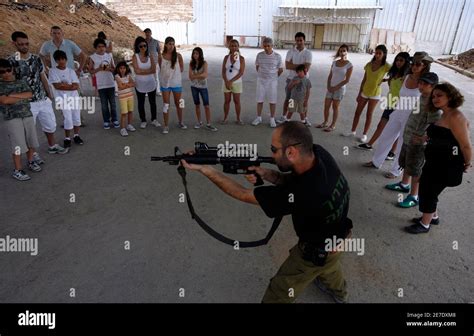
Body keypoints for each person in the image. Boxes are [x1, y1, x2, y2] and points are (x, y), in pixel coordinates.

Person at [181, 121, 353, 303]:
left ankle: (333, 287)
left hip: (316, 251)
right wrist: (267, 173)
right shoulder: (318, 154)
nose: (270, 154)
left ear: (291, 152)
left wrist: (206, 169)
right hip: (340, 235)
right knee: (331, 266)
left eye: (273, 149)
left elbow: (243, 194)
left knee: (280, 290)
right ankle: (340, 294)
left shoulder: (306, 192)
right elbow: (295, 180)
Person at [406, 83, 471, 234]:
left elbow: (466, 145)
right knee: (428, 188)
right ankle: (432, 216)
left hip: (447, 165)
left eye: (440, 95)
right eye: (434, 96)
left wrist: (467, 163)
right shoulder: (445, 114)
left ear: (451, 96)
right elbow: (443, 136)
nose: (435, 98)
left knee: (429, 191)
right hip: (435, 162)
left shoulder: (456, 116)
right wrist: (424, 139)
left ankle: (425, 224)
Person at [364, 52, 432, 179]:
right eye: (412, 63)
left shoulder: (425, 83)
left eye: (418, 64)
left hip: (412, 116)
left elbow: (428, 102)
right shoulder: (406, 77)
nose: (414, 66)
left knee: (402, 143)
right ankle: (376, 161)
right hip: (397, 111)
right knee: (385, 136)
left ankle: (396, 170)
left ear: (425, 66)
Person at [8, 31, 68, 163]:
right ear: (14, 44)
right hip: (26, 103)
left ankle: (52, 146)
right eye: (21, 44)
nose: (24, 46)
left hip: (42, 98)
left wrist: (49, 94)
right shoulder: (11, 62)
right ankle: (33, 155)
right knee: (30, 131)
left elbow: (42, 77)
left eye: (26, 43)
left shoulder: (36, 59)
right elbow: (8, 83)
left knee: (50, 124)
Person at [385, 72, 441, 208]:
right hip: (409, 135)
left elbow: (435, 125)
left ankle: (414, 196)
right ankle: (404, 184)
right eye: (420, 83)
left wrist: (424, 138)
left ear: (433, 86)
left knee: (416, 169)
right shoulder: (422, 96)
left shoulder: (433, 104)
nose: (421, 86)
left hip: (418, 142)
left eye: (425, 84)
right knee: (406, 163)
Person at [356, 52, 411, 159]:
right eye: (397, 60)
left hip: (400, 105)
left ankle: (392, 152)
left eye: (401, 60)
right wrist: (386, 80)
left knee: (396, 130)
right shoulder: (394, 73)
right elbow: (392, 84)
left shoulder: (407, 76)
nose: (398, 62)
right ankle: (369, 144)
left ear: (406, 62)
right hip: (390, 102)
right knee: (381, 125)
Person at [0, 59, 40, 181]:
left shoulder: (21, 82)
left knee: (31, 141)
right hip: (12, 118)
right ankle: (17, 170)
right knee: (17, 144)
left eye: (8, 70)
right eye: (2, 72)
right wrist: (20, 97)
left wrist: (11, 95)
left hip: (27, 114)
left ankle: (31, 161)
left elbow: (29, 95)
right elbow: (4, 101)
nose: (6, 73)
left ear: (12, 69)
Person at [343, 45, 390, 142]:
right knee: (357, 112)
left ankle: (364, 134)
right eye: (376, 53)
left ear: (384, 54)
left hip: (375, 94)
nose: (377, 55)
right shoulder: (369, 64)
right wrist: (359, 93)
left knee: (369, 114)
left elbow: (396, 74)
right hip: (364, 91)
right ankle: (353, 131)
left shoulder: (386, 66)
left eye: (379, 53)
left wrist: (384, 80)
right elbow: (364, 79)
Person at [48, 50, 84, 149]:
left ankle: (76, 135)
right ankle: (67, 138)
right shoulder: (53, 71)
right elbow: (57, 86)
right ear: (56, 61)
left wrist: (65, 85)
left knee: (76, 117)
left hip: (74, 97)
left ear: (66, 59)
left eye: (63, 59)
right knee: (67, 118)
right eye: (59, 59)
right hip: (62, 99)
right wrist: (69, 85)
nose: (61, 61)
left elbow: (76, 86)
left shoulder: (71, 71)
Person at [277, 32, 312, 125]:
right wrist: (301, 67)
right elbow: (287, 65)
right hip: (291, 79)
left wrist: (294, 65)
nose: (299, 42)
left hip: (304, 80)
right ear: (295, 41)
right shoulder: (291, 51)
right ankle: (284, 116)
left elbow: (306, 69)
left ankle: (305, 118)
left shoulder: (308, 53)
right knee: (289, 99)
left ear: (304, 41)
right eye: (297, 40)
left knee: (304, 100)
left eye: (301, 40)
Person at [315, 44, 353, 132]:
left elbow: (347, 80)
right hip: (331, 87)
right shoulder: (334, 63)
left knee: (335, 107)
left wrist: (335, 87)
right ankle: (325, 122)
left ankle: (333, 125)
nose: (342, 52)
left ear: (347, 52)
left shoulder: (349, 65)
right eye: (341, 51)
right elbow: (330, 75)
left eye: (344, 51)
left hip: (339, 89)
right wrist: (328, 85)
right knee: (326, 106)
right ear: (339, 52)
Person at [252, 37, 283, 128]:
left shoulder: (277, 56)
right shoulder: (259, 55)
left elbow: (280, 69)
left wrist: (273, 77)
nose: (266, 48)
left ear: (272, 46)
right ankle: (258, 117)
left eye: (268, 46)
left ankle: (272, 118)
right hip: (261, 80)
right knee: (259, 99)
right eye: (264, 46)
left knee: (272, 100)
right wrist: (263, 75)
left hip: (272, 82)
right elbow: (257, 66)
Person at [88, 38, 118, 129]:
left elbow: (114, 69)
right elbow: (90, 71)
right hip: (101, 85)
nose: (101, 48)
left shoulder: (109, 56)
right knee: (104, 104)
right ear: (95, 48)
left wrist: (109, 69)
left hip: (110, 83)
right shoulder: (92, 57)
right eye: (99, 47)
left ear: (105, 47)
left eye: (103, 46)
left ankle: (115, 119)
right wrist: (99, 69)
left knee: (113, 103)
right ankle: (106, 121)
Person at [159, 36, 185, 133]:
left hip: (176, 83)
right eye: (169, 44)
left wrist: (174, 73)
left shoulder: (178, 56)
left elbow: (181, 68)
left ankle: (181, 121)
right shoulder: (161, 56)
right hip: (165, 84)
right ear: (165, 44)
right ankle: (166, 125)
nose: (171, 46)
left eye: (173, 44)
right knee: (166, 104)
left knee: (179, 103)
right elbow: (160, 68)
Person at [132, 37, 159, 129]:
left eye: (145, 45)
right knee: (141, 103)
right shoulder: (135, 57)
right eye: (141, 46)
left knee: (153, 102)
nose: (143, 47)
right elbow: (136, 71)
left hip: (151, 82)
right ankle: (143, 120)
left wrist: (142, 71)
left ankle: (154, 119)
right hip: (140, 84)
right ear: (137, 47)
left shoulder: (150, 55)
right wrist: (148, 71)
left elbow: (154, 69)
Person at [189, 47, 217, 131]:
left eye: (197, 53)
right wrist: (199, 75)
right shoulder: (191, 63)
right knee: (197, 105)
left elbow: (205, 75)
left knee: (206, 105)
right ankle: (199, 122)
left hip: (203, 87)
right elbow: (190, 77)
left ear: (200, 54)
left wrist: (195, 76)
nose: (195, 55)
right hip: (194, 87)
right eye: (194, 53)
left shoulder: (204, 63)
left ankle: (208, 123)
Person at [221, 39, 245, 125]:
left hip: (237, 83)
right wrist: (227, 81)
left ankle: (238, 118)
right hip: (226, 82)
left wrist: (231, 81)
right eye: (232, 45)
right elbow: (223, 71)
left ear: (238, 47)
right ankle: (225, 118)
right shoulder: (226, 58)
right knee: (226, 101)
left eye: (235, 45)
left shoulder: (241, 59)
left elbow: (241, 72)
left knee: (237, 101)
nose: (233, 47)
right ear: (229, 47)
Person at [114, 61, 136, 136]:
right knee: (124, 113)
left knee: (130, 111)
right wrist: (128, 84)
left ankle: (129, 125)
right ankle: (122, 128)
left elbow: (134, 84)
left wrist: (125, 84)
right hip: (123, 97)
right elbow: (120, 86)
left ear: (126, 68)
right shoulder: (117, 76)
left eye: (124, 68)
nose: (122, 70)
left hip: (130, 96)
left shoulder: (128, 75)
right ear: (118, 69)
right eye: (121, 68)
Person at [144, 28, 162, 96]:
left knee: (156, 78)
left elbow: (159, 52)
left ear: (151, 33)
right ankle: (146, 92)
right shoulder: (143, 42)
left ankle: (157, 91)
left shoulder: (155, 41)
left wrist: (159, 62)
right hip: (146, 62)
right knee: (146, 78)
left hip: (154, 62)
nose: (147, 34)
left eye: (148, 32)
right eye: (146, 32)